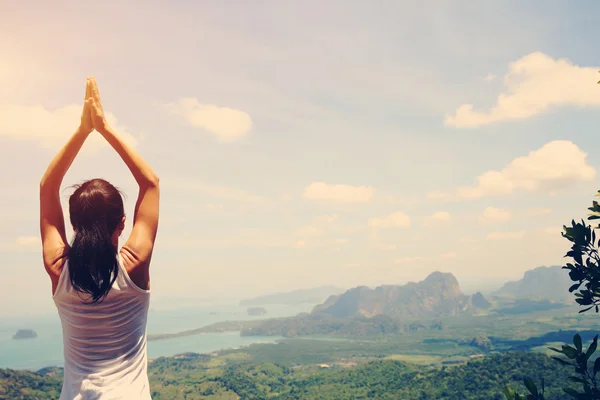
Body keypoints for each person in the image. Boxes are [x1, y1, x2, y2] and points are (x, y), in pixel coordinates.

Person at [39, 77, 160, 399]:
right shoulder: (133, 266)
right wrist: (104, 128)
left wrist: (82, 131)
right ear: (122, 223)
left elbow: (47, 187)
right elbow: (150, 184)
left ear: (73, 224)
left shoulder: (58, 269)